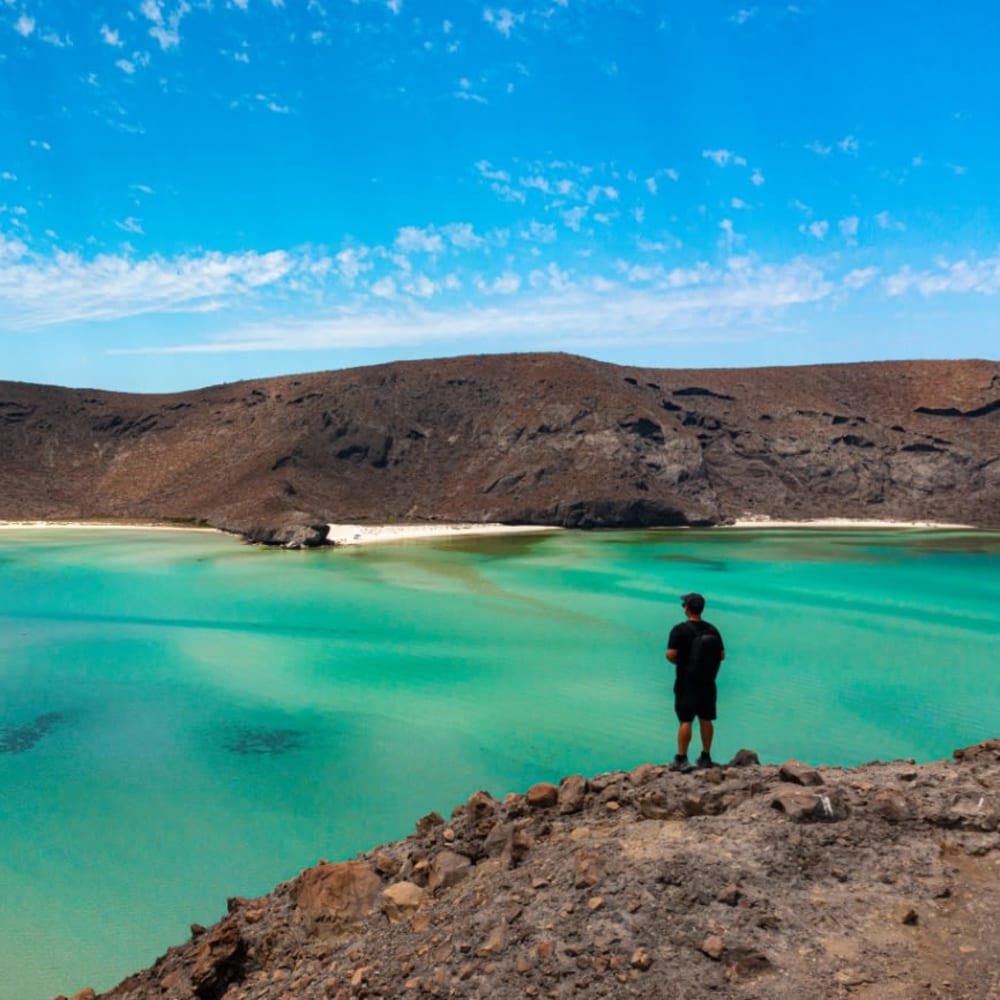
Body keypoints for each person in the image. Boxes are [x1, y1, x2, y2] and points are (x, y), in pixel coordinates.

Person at [665, 592, 725, 771]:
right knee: (706, 720)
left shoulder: (679, 630)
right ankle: (706, 757)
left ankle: (681, 758)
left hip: (686, 682)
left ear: (687, 609)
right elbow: (721, 655)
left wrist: (683, 661)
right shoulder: (712, 629)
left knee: (686, 720)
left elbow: (670, 655)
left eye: (684, 605)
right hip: (708, 682)